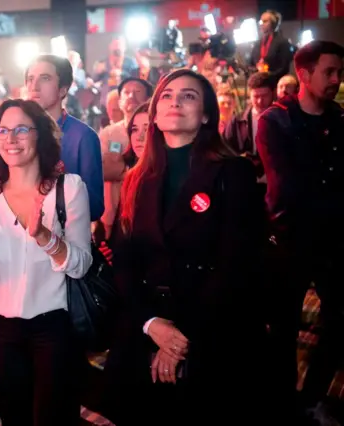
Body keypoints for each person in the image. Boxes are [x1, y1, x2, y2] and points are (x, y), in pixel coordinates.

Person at [103, 69, 268, 425]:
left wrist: (179, 339)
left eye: (189, 96)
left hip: (213, 329)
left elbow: (236, 265)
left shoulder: (232, 173)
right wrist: (152, 324)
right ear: (155, 115)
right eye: (167, 95)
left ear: (206, 114)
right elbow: (125, 262)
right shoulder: (135, 179)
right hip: (146, 324)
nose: (175, 101)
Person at [0, 99, 92, 425]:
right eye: (3, 131)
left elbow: (80, 265)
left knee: (53, 417)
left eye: (21, 129)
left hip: (54, 327)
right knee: (14, 416)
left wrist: (45, 238)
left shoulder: (68, 189)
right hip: (3, 328)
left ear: (41, 135)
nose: (11, 138)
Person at [256, 40, 344, 423]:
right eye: (329, 72)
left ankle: (310, 396)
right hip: (290, 236)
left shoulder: (338, 119)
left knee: (340, 318)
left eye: (339, 73)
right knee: (283, 327)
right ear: (305, 75)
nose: (336, 80)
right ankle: (282, 403)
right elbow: (287, 185)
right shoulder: (276, 121)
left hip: (332, 238)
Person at [26, 54, 104, 221]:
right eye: (30, 79)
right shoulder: (17, 133)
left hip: (66, 239)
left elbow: (95, 207)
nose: (34, 86)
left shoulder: (83, 136)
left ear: (63, 89)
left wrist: (62, 183)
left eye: (45, 78)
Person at [98, 78, 152, 241]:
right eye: (126, 93)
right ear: (120, 101)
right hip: (113, 211)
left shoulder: (156, 130)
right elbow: (102, 170)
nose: (131, 96)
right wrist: (136, 171)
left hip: (145, 211)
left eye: (137, 92)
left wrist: (121, 169)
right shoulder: (109, 133)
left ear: (149, 99)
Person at [223, 72, 275, 188]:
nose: (260, 101)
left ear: (273, 93)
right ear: (250, 95)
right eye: (256, 96)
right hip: (244, 182)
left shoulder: (282, 119)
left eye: (264, 96)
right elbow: (225, 150)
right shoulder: (237, 121)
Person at [249, 10, 294, 84]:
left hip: (275, 84)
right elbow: (250, 63)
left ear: (274, 23)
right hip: (259, 84)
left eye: (265, 21)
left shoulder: (283, 42)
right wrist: (256, 72)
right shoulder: (257, 44)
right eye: (261, 21)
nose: (261, 24)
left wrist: (270, 75)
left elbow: (284, 67)